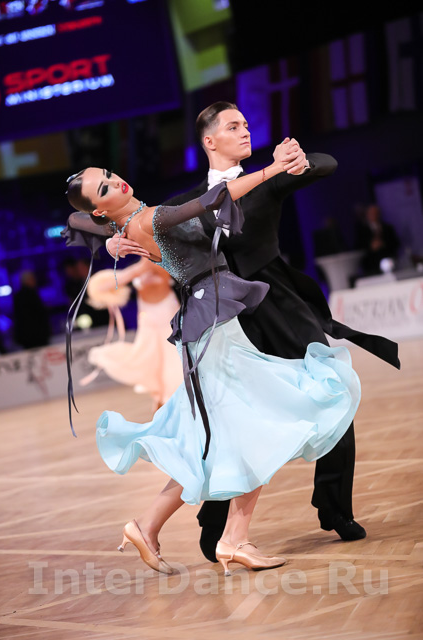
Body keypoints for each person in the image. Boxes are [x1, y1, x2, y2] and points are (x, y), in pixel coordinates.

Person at [107, 102, 400, 560]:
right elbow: (130, 218)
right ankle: (217, 526)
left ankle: (334, 507)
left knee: (330, 389)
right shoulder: (187, 201)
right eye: (233, 126)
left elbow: (327, 164)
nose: (245, 131)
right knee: (229, 420)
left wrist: (298, 159)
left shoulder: (266, 178)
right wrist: (112, 239)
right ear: (210, 140)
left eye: (245, 124)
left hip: (279, 304)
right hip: (223, 317)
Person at [64, 153, 362, 577]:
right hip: (213, 326)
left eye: (110, 175)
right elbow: (211, 199)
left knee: (215, 441)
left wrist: (112, 237)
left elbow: (75, 221)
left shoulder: (130, 222)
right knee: (259, 427)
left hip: (212, 319)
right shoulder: (148, 219)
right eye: (105, 188)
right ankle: (231, 539)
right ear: (100, 207)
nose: (117, 181)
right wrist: (274, 169)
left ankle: (151, 527)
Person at [84, 260, 183, 412]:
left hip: (168, 318)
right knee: (150, 363)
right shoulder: (140, 265)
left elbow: (164, 276)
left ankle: (171, 403)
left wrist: (143, 267)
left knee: (173, 364)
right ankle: (161, 404)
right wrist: (138, 269)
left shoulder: (162, 259)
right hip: (148, 322)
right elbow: (101, 287)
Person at [355, 203, 400, 276]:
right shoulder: (362, 231)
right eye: (371, 213)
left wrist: (383, 243)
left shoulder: (388, 228)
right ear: (367, 215)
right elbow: (358, 247)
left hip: (389, 263)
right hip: (371, 267)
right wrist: (370, 246)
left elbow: (396, 243)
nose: (374, 215)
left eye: (376, 213)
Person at [13, 270, 51, 349]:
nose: (35, 281)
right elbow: (39, 313)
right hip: (36, 335)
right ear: (27, 280)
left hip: (26, 336)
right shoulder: (31, 294)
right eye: (33, 279)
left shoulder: (18, 295)